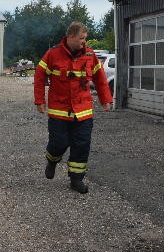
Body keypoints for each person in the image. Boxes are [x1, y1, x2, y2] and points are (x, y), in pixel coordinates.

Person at [33, 21, 113, 194]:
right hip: (59, 111)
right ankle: (52, 161)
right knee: (59, 143)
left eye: (85, 38)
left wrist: (106, 99)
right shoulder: (52, 54)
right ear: (70, 37)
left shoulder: (90, 55)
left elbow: (100, 79)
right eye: (81, 38)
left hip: (83, 112)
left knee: (82, 145)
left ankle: (76, 179)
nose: (84, 42)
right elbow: (39, 76)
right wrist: (39, 101)